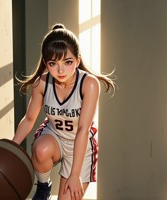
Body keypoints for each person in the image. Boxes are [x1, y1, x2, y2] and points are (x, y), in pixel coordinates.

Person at [12, 23, 116, 200]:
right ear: (46, 63)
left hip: (81, 146)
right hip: (54, 136)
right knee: (41, 149)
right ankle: (44, 187)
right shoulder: (42, 83)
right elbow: (29, 119)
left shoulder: (89, 84)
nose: (60, 70)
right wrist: (11, 148)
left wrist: (75, 174)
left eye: (67, 62)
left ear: (77, 60)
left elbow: (83, 129)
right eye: (53, 63)